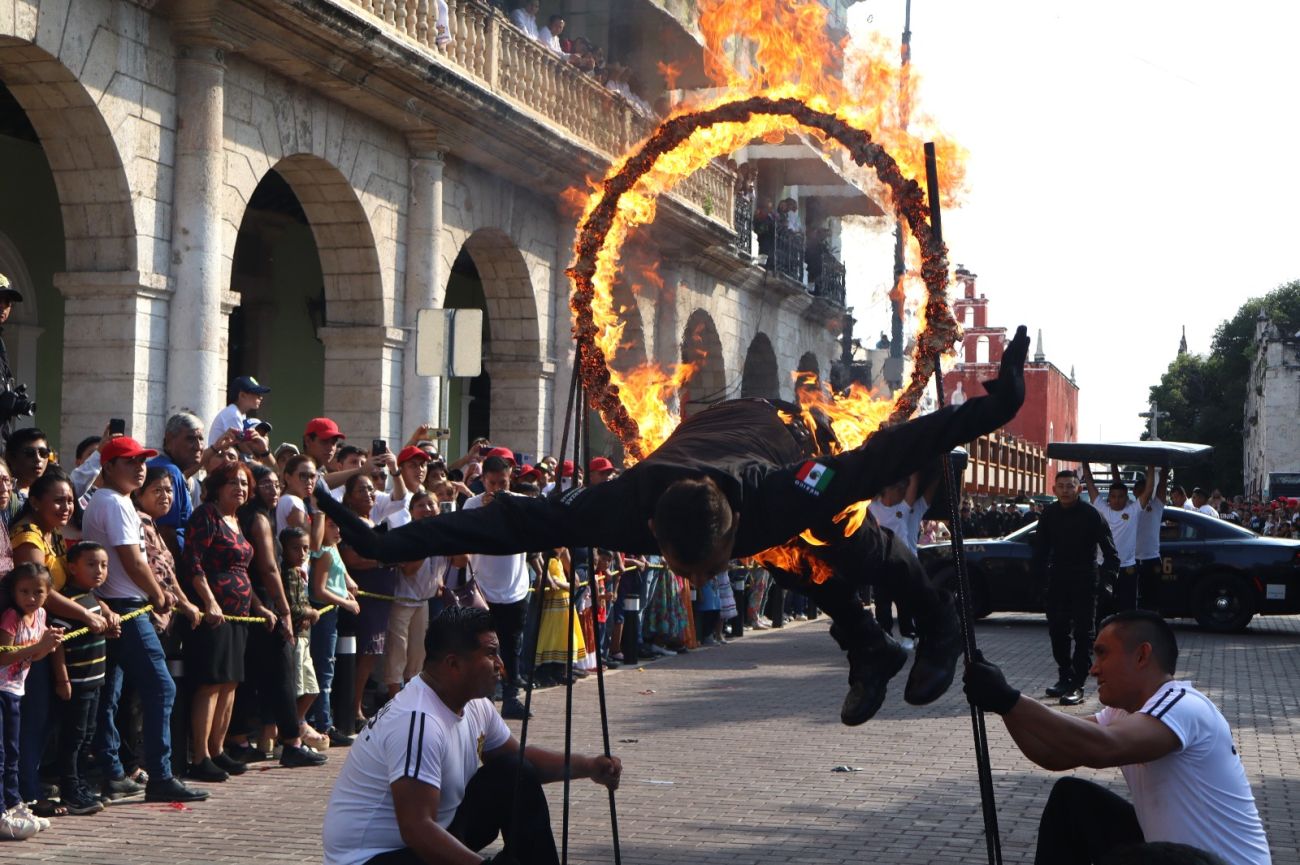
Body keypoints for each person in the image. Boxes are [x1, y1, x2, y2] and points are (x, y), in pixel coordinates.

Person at [318, 326, 1034, 725]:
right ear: (658, 539)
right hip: (709, 432)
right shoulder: (620, 507)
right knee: (787, 558)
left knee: (847, 543)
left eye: (713, 565)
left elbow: (891, 450)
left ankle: (933, 626)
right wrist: (386, 541)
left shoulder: (782, 495)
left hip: (784, 431)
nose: (704, 580)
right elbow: (503, 524)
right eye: (696, 571)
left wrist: (994, 407)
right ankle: (871, 648)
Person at [964, 610, 1272, 865]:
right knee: (1072, 800)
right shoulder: (1126, 713)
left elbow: (1104, 748)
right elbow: (1052, 753)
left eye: (1102, 654)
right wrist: (1004, 708)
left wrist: (1011, 700)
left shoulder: (1183, 705)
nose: (1093, 669)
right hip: (1178, 857)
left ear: (1142, 656)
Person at [321, 606, 621, 865]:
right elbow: (416, 828)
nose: (500, 666)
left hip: (436, 830)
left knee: (513, 773)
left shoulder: (476, 703)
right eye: (491, 654)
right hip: (377, 856)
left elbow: (518, 761)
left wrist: (588, 766)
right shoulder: (418, 721)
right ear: (453, 664)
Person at [84, 436, 209, 803]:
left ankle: (112, 770)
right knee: (161, 687)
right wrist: (157, 595)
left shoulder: (107, 500)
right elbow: (132, 558)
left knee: (111, 694)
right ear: (108, 467)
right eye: (129, 461)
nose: (139, 467)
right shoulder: (115, 503)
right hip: (126, 605)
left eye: (142, 460)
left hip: (115, 605)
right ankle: (161, 775)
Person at [181, 460, 277, 782]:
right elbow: (193, 563)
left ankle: (218, 749)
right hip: (214, 616)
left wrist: (260, 606)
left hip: (240, 615)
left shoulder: (237, 520)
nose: (240, 488)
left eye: (244, 483)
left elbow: (242, 572)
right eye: (233, 482)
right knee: (211, 682)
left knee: (231, 682)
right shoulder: (206, 516)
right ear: (217, 486)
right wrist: (208, 601)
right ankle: (200, 756)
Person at [1031, 469, 1120, 706]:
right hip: (1057, 579)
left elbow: (1111, 553)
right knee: (1057, 631)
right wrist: (1038, 583)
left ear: (1078, 488)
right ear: (1054, 490)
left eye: (1070, 486)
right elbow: (1039, 553)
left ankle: (1077, 685)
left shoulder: (1091, 515)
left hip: (1085, 579)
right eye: (1061, 486)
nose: (1065, 490)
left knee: (1083, 633)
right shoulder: (1048, 514)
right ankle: (1065, 675)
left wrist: (1107, 582)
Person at [461, 456, 532, 720]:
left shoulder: (521, 502)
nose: (497, 488)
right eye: (492, 483)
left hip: (514, 587)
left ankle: (512, 696)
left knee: (512, 644)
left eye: (502, 482)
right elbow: (467, 538)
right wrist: (485, 512)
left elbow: (529, 535)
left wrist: (508, 508)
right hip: (483, 589)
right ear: (483, 481)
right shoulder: (471, 505)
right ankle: (486, 697)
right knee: (485, 646)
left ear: (510, 476)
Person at [49, 542, 115, 815]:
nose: (98, 571)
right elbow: (58, 645)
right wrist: (62, 679)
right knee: (73, 737)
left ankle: (82, 784)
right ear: (72, 567)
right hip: (77, 683)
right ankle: (70, 789)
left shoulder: (93, 600)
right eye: (91, 564)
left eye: (103, 565)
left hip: (95, 680)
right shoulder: (69, 604)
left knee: (87, 735)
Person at [0, 563, 64, 840]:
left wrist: (47, 647)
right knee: (2, 754)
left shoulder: (40, 615)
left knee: (13, 752)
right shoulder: (10, 617)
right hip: (2, 690)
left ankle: (15, 805)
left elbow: (32, 657)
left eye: (38, 592)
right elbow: (3, 655)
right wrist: (38, 647)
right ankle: (2, 810)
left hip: (16, 690)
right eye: (24, 591)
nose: (31, 597)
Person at [309, 517, 361, 746]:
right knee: (323, 666)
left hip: (332, 613)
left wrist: (346, 587)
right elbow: (319, 591)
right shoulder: (324, 553)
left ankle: (322, 719)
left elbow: (337, 577)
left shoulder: (332, 548)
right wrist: (345, 602)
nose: (337, 529)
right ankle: (322, 722)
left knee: (326, 665)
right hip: (324, 612)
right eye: (331, 525)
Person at [1082, 463, 1156, 615]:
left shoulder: (1133, 510)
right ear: (1108, 497)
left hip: (1127, 569)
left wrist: (1151, 463)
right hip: (1104, 568)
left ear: (1126, 497)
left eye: (1121, 496)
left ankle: (1126, 638)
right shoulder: (1101, 509)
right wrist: (1084, 460)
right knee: (1102, 608)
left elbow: (1148, 490)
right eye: (1113, 496)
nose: (1117, 500)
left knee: (1127, 611)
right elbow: (1089, 482)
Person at [209, 375, 272, 446]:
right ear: (242, 395)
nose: (261, 397)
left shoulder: (239, 413)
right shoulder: (233, 413)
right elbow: (241, 445)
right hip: (218, 456)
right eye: (256, 393)